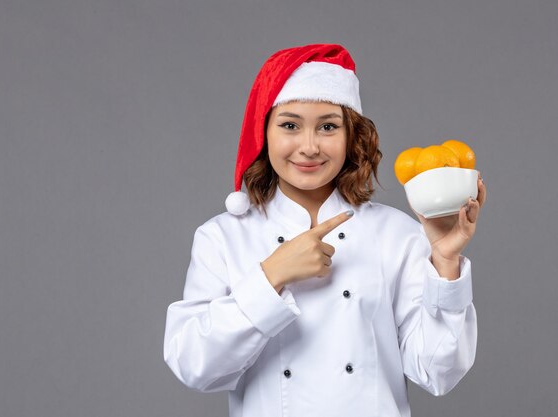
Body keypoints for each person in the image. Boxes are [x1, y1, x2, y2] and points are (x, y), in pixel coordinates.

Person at [163, 43, 486, 417]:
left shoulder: (396, 234)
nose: (309, 146)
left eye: (328, 126)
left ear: (353, 136)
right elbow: (194, 366)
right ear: (263, 133)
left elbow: (437, 372)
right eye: (289, 125)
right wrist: (272, 276)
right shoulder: (221, 238)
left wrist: (445, 262)